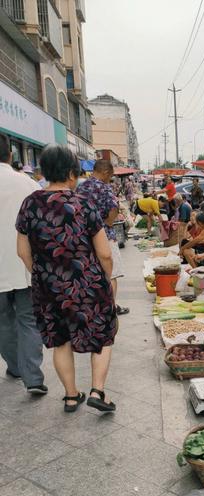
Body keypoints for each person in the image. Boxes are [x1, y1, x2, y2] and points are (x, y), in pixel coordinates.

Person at [16, 144, 117, 413]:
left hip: (48, 286)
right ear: (72, 173)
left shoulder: (30, 203)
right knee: (103, 335)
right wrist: (105, 278)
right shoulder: (83, 204)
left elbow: (22, 251)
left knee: (60, 341)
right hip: (88, 283)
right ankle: (98, 391)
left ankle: (71, 396)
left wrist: (41, 273)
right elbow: (104, 253)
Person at [0, 133, 46, 394]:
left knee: (2, 321)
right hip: (25, 264)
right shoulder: (28, 184)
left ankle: (15, 367)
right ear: (10, 155)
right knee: (29, 320)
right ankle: (33, 378)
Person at [77, 159, 129, 316]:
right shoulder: (105, 188)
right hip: (105, 235)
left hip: (84, 237)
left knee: (93, 273)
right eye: (110, 176)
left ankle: (94, 307)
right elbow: (114, 209)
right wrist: (108, 223)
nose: (110, 179)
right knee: (111, 273)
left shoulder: (81, 187)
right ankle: (110, 308)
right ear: (105, 172)